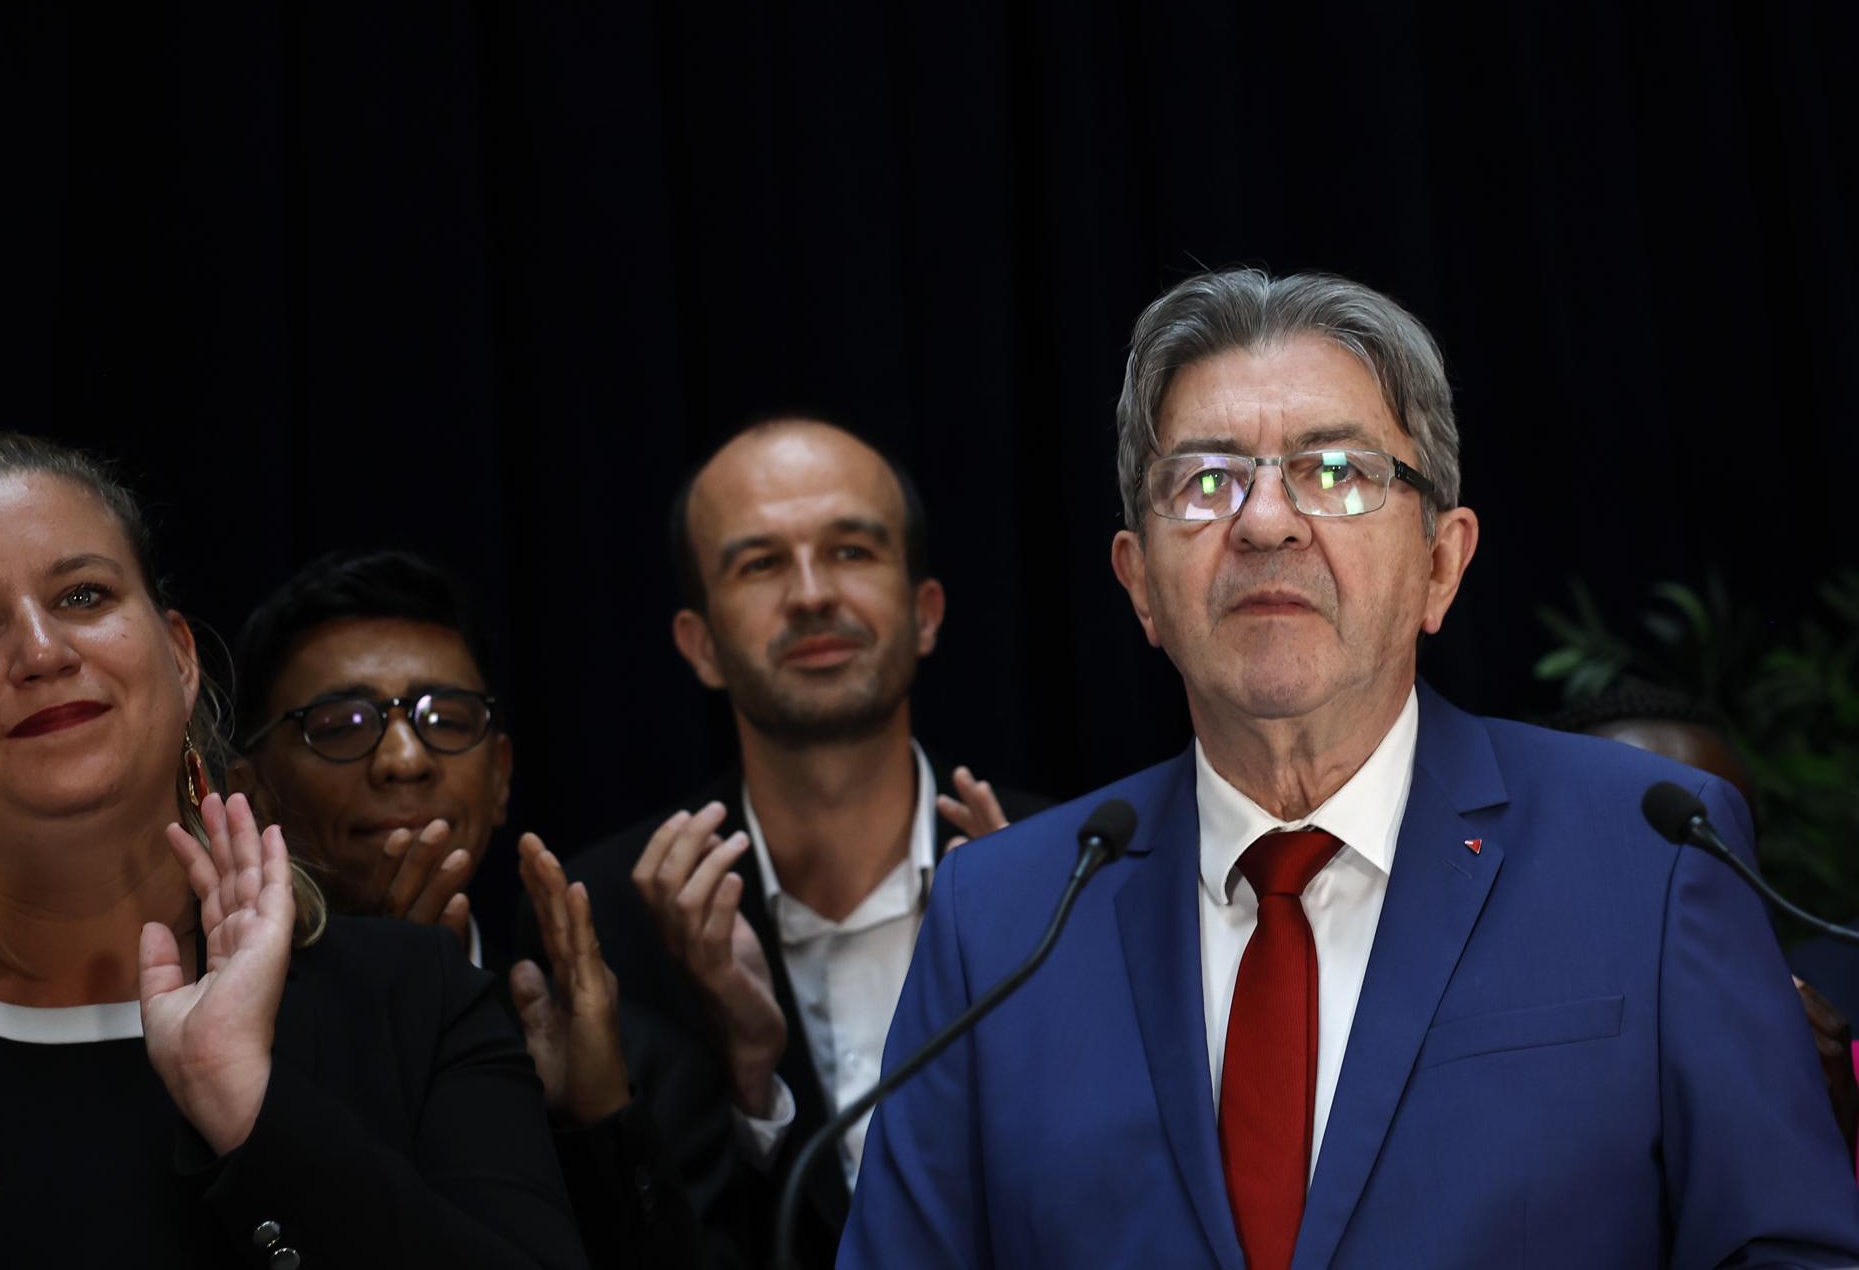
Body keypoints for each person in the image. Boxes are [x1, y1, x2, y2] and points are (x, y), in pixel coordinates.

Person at [842, 270, 1859, 1267]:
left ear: (1440, 564)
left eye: (1336, 473)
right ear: (1140, 585)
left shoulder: (1649, 852)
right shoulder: (1004, 919)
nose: (1266, 521)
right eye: (1206, 481)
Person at [0, 433, 587, 1267]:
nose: (40, 652)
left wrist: (248, 1107)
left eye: (83, 595)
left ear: (178, 658)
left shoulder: (417, 996)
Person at [539, 416, 1044, 1268]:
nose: (811, 594)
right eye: (761, 563)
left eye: (851, 551)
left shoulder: (1081, 871)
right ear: (700, 646)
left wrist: (1039, 1029)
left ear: (925, 614)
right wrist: (746, 1081)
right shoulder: (607, 925)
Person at [233, 549, 705, 1268]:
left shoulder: (631, 1054)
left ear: (501, 777)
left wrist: (602, 1120)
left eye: (445, 719)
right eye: (341, 723)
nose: (404, 758)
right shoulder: (222, 1046)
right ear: (254, 790)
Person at [1548, 680, 1859, 1167]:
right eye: (1633, 850)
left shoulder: (1813, 1052)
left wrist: (1825, 1147)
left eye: (1710, 842)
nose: (1679, 885)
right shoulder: (1483, 1059)